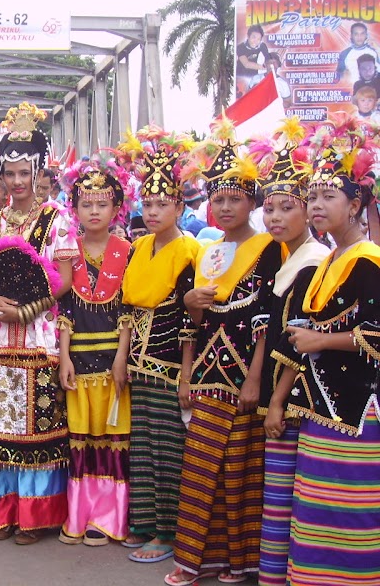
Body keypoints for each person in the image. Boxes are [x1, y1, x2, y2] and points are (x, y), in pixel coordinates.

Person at [166, 121, 283, 586]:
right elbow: (193, 322)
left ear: (252, 202)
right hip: (207, 373)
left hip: (242, 375)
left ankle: (239, 563)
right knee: (200, 470)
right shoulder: (209, 251)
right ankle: (198, 562)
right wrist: (185, 372)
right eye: (218, 199)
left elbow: (264, 323)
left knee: (238, 471)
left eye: (235, 198)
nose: (225, 206)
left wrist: (255, 378)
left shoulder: (267, 250)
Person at [0, 102, 78, 543]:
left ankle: (35, 516)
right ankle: (0, 512)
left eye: (25, 173)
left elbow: (65, 280)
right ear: (2, 173)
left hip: (37, 335)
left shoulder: (58, 219)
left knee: (36, 425)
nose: (17, 182)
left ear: (39, 171)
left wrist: (25, 310)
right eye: (10, 173)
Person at [280, 139, 380, 585]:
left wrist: (319, 337)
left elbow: (376, 333)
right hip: (321, 403)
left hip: (355, 406)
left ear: (356, 204)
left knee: (350, 508)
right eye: (313, 197)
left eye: (329, 197)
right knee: (320, 505)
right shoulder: (331, 258)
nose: (316, 206)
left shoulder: (368, 260)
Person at [247, 127, 330, 586]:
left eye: (287, 208)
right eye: (270, 208)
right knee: (274, 488)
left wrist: (276, 399)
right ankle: (274, 572)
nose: (274, 217)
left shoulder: (314, 260)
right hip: (279, 387)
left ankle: (280, 575)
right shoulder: (283, 257)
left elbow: (301, 339)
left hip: (294, 392)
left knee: (283, 489)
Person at [113, 139, 200, 563]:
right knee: (142, 446)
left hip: (168, 365)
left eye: (162, 204)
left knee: (169, 449)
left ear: (180, 207)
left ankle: (168, 532)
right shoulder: (140, 247)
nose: (152, 212)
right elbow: (128, 307)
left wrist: (186, 375)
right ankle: (145, 523)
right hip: (136, 363)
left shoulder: (190, 252)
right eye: (147, 203)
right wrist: (120, 357)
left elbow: (189, 322)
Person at [57, 162, 131, 547]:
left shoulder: (128, 252)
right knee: (81, 439)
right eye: (86, 204)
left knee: (111, 438)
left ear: (117, 207)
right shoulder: (69, 252)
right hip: (79, 363)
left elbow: (129, 312)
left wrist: (122, 357)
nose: (95, 212)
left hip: (112, 364)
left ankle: (107, 519)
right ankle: (79, 516)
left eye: (103, 204)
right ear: (75, 209)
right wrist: (64, 358)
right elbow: (64, 311)